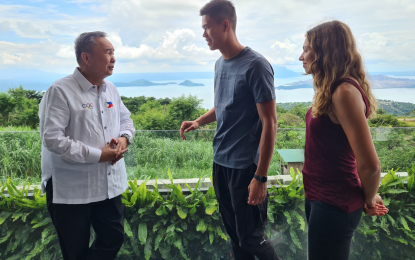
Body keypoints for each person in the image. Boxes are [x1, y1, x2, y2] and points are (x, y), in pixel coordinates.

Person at [180, 1, 280, 259]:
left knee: (252, 239)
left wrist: (260, 177)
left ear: (225, 25)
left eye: (207, 28)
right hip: (221, 163)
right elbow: (224, 105)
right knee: (236, 238)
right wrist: (199, 121)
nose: (203, 34)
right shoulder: (219, 65)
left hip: (246, 167)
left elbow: (270, 122)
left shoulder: (256, 65)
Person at [39, 31, 135, 260]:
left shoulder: (111, 89)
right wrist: (98, 155)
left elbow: (126, 120)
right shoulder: (60, 91)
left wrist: (124, 138)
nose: (113, 58)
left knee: (114, 238)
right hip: (70, 190)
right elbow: (52, 138)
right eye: (108, 52)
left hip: (108, 185)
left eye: (114, 53)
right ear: (86, 57)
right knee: (74, 251)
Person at [299, 20, 389, 260]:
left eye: (306, 49)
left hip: (334, 205)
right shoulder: (331, 89)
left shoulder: (343, 92)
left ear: (325, 52)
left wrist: (369, 198)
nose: (301, 56)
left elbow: (371, 165)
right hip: (320, 199)